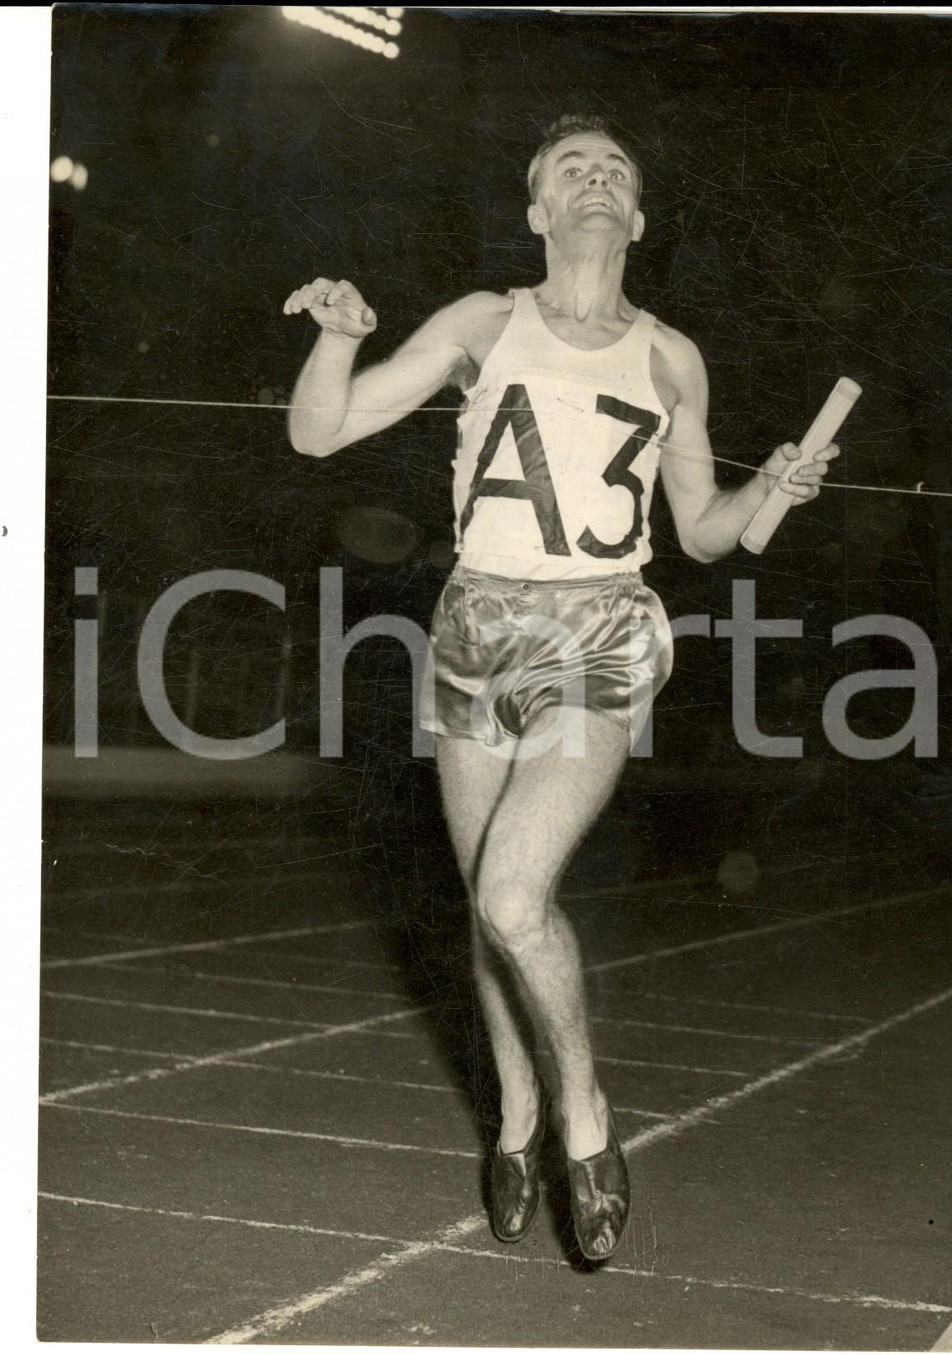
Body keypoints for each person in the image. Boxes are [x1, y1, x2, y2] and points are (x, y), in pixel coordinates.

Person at [284, 114, 838, 1261]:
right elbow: (319, 430)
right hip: (473, 630)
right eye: (571, 171)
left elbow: (707, 531)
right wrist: (336, 336)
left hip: (601, 628)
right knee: (489, 911)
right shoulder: (486, 322)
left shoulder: (671, 357)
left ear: (634, 218)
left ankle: (581, 1116)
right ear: (538, 211)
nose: (596, 181)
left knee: (512, 894)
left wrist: (776, 485)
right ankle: (519, 1115)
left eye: (617, 172)